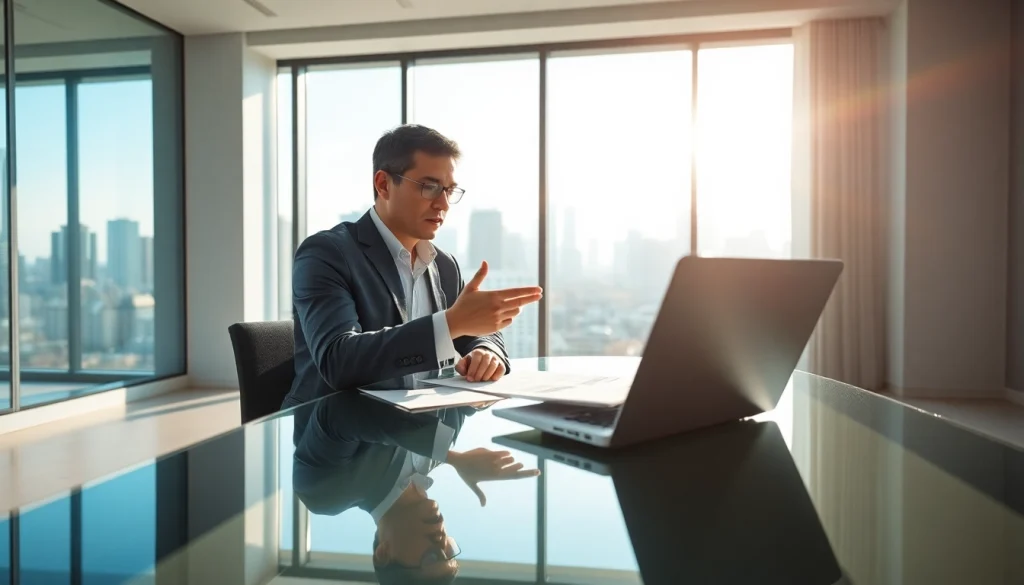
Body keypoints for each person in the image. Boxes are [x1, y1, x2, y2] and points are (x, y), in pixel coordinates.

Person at [283, 124, 543, 410]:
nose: (443, 203)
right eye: (429, 187)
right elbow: (338, 360)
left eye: (449, 190)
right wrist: (451, 324)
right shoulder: (327, 253)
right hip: (337, 436)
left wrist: (486, 351)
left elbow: (475, 329)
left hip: (423, 437)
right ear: (383, 185)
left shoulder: (444, 265)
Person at [293, 389, 539, 584]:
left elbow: (339, 410)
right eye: (449, 551)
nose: (440, 539)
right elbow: (467, 393)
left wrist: (449, 455)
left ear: (384, 553)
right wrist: (487, 362)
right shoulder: (438, 450)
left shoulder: (326, 494)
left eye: (431, 556)